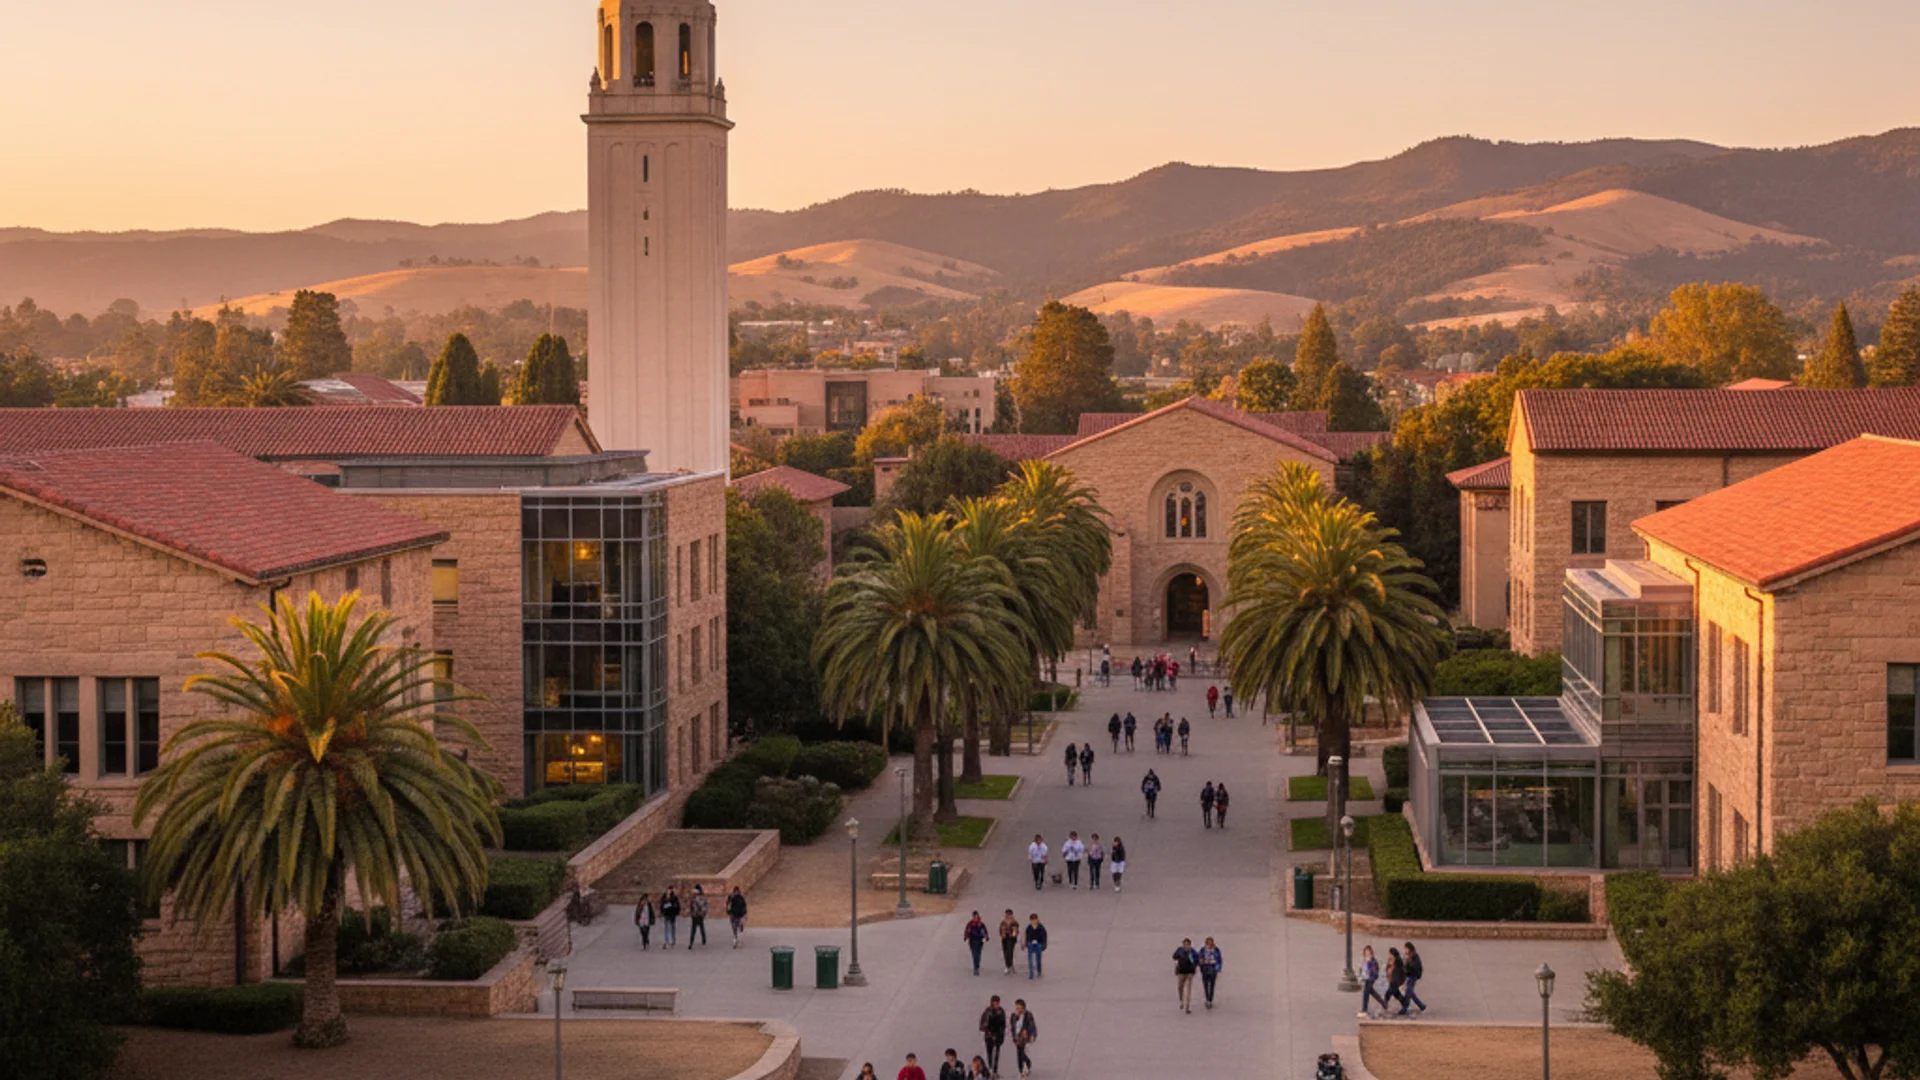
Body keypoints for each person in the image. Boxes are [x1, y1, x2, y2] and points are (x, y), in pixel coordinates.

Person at [979, 995, 1007, 1076]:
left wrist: (1001, 1036)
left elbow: (1003, 1025)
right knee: (989, 1054)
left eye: (997, 1003)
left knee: (996, 1055)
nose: (996, 1005)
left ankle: (995, 1071)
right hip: (989, 1037)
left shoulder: (1001, 1011)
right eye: (994, 1003)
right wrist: (988, 1030)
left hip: (998, 1037)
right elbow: (982, 1025)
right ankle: (990, 1070)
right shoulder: (988, 1011)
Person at [1010, 999, 1038, 1078]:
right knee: (1020, 1053)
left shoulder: (1028, 1015)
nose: (1018, 1010)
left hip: (1025, 1037)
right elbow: (1012, 1026)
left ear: (1023, 1007)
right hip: (1017, 1037)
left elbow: (1032, 1025)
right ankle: (1027, 1063)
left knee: (1020, 1053)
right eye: (1016, 1008)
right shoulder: (1014, 1015)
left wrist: (1029, 1033)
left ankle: (1021, 1070)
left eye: (1019, 1008)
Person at [1359, 945, 1389, 1018]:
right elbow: (1364, 969)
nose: (1367, 954)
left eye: (1368, 952)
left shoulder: (1372, 961)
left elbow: (1374, 971)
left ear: (1371, 953)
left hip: (1371, 979)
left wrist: (1369, 963)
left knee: (1366, 994)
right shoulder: (1366, 960)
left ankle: (1364, 1010)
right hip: (1366, 979)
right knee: (1372, 992)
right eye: (1366, 953)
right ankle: (1384, 1004)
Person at [1399, 942, 1427, 1015]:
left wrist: (1407, 965)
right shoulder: (1408, 956)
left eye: (1406, 948)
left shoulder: (1414, 956)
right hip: (1409, 975)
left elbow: (1414, 967)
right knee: (1411, 993)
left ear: (1409, 948)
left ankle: (1404, 1008)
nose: (1405, 950)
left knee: (1408, 992)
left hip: (1413, 976)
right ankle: (1422, 1006)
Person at [1172, 937, 1198, 1014]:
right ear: (1183, 944)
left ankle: (1187, 1007)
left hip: (1190, 972)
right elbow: (1174, 957)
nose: (1186, 946)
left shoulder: (1192, 951)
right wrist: (1178, 955)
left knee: (1188, 989)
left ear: (1190, 945)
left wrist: (1194, 966)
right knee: (1180, 987)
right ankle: (1181, 1000)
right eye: (1185, 944)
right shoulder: (1180, 950)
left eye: (1188, 945)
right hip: (1181, 972)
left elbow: (1197, 960)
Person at [1197, 936, 1224, 1009]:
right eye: (1208, 943)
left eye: (1210, 943)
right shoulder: (1203, 950)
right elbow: (1199, 959)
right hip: (1205, 969)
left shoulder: (1216, 950)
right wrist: (1201, 963)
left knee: (1212, 985)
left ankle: (1210, 1000)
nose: (1209, 944)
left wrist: (1217, 968)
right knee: (1205, 985)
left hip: (1212, 969)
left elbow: (1219, 960)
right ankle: (1207, 998)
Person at [964, 910, 989, 975]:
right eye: (974, 917)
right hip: (972, 941)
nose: (975, 918)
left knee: (978, 954)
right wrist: (966, 937)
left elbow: (984, 931)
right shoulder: (970, 924)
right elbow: (967, 931)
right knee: (974, 954)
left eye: (976, 917)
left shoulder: (981, 924)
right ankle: (976, 968)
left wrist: (986, 937)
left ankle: (977, 965)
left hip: (979, 941)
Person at [1383, 947, 1407, 1014]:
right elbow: (1387, 970)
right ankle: (1405, 1004)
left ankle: (1385, 1007)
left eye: (1390, 954)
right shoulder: (1390, 961)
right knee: (1396, 994)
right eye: (1389, 954)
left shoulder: (1398, 963)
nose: (1389, 955)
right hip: (1392, 981)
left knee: (1387, 995)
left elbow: (1400, 973)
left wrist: (1400, 982)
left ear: (1394, 955)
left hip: (1395, 982)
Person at [1024, 913, 1047, 979]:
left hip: (1039, 944)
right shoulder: (1029, 928)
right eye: (1032, 920)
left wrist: (1043, 945)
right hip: (1031, 944)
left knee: (1038, 959)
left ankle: (1039, 970)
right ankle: (1031, 973)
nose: (1034, 921)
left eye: (1035, 920)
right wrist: (1027, 943)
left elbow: (1044, 937)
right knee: (1030, 959)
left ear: (1037, 920)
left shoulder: (1041, 928)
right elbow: (1027, 936)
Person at [999, 909, 1021, 975]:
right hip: (1004, 939)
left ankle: (1009, 965)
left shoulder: (1014, 922)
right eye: (1007, 914)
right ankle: (1008, 965)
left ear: (1011, 915)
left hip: (1011, 939)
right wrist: (1002, 934)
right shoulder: (1003, 922)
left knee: (1010, 951)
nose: (1008, 916)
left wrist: (1013, 934)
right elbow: (1000, 930)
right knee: (1005, 952)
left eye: (1009, 914)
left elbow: (1016, 931)